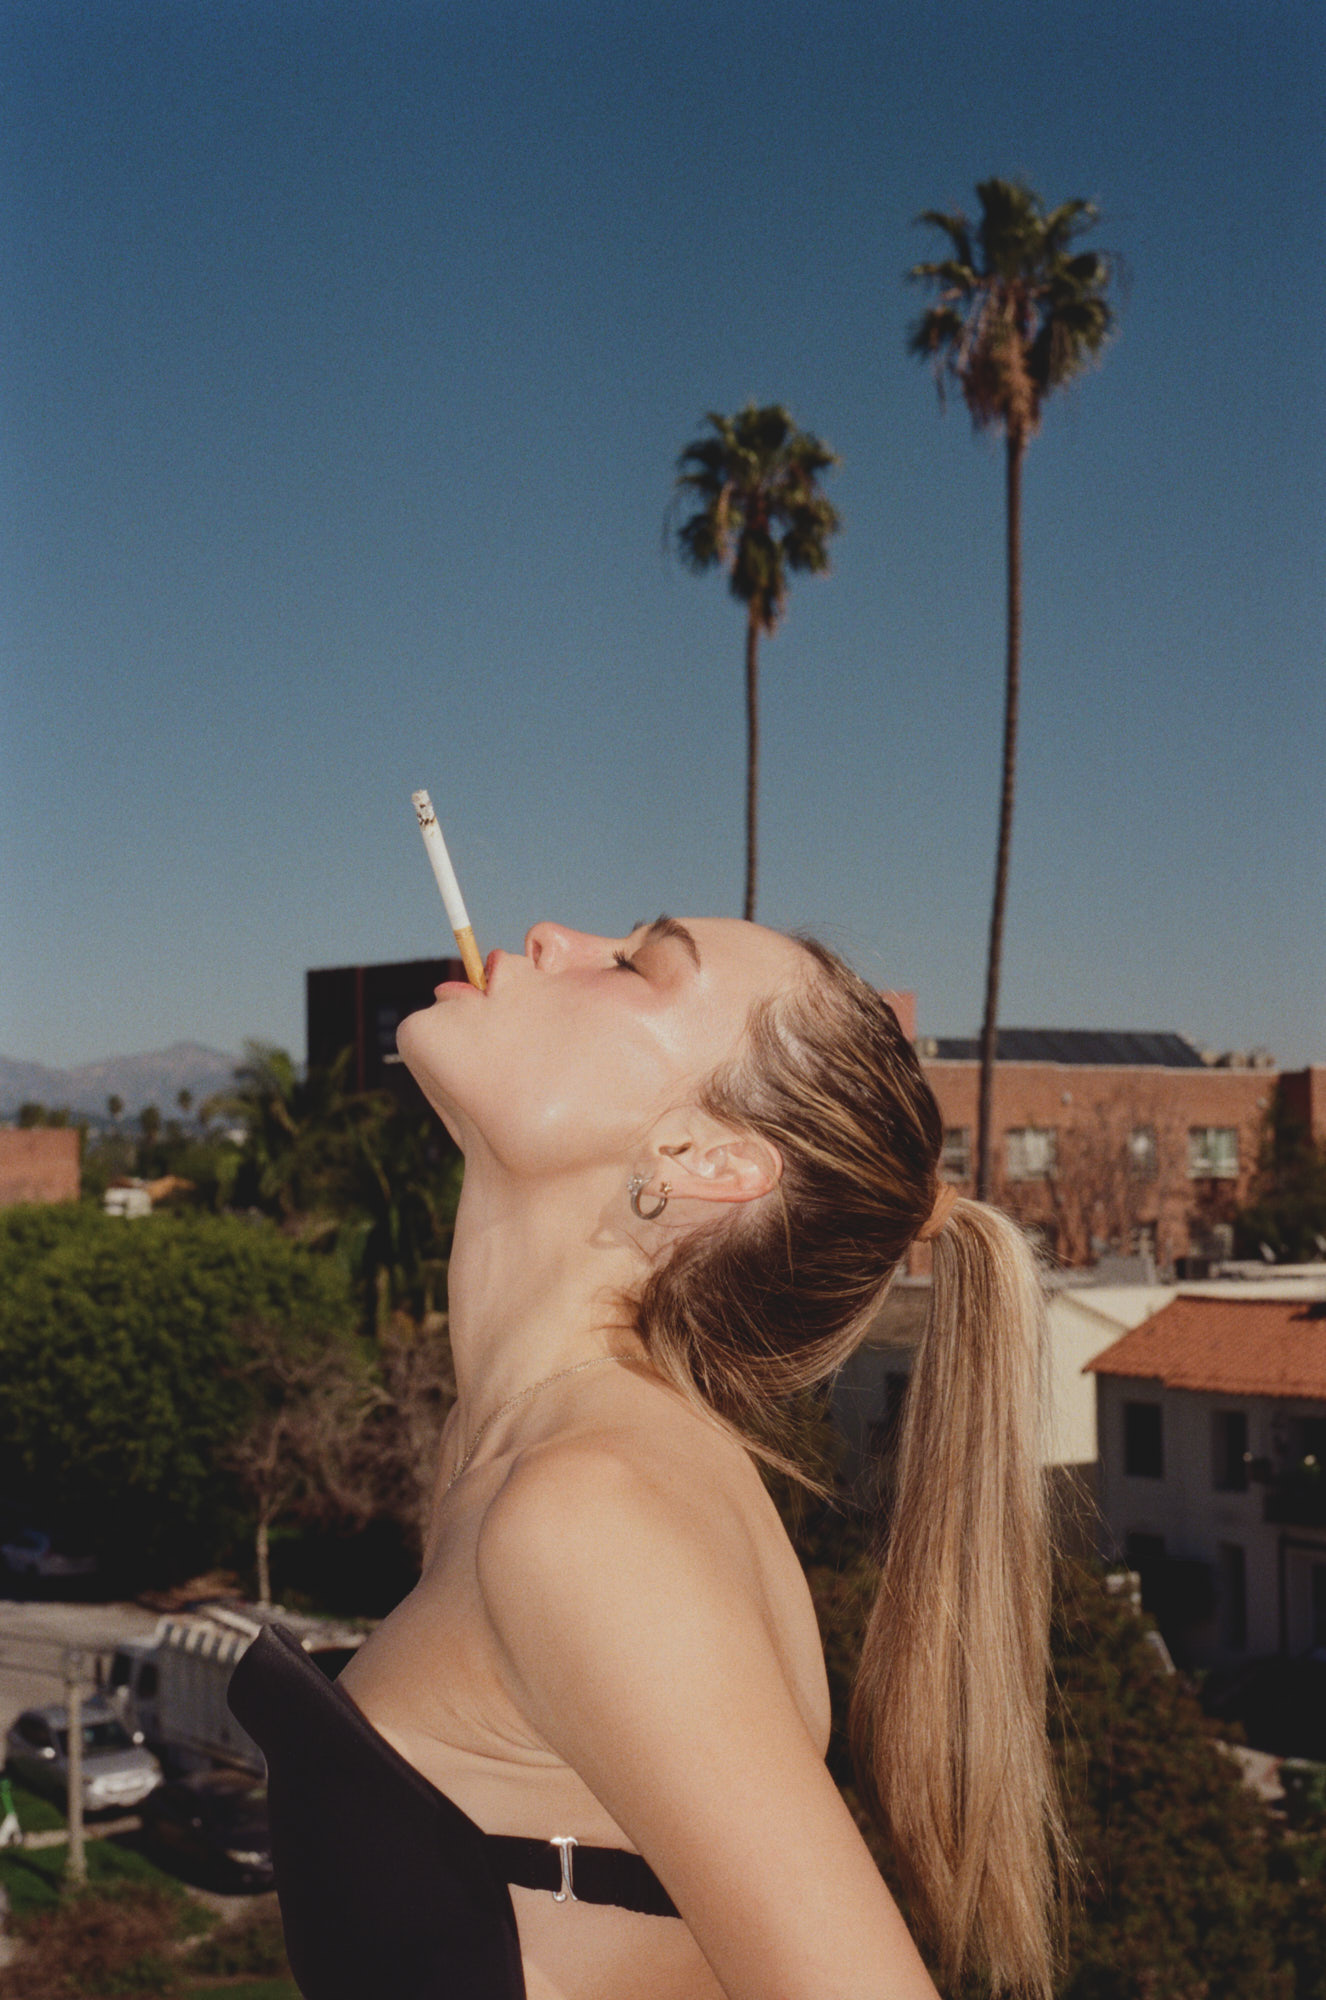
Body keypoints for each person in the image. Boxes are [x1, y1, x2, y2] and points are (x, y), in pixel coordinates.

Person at [229, 916, 1069, 2000]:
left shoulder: (588, 1513)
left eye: (637, 964)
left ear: (704, 1159)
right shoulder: (516, 1458)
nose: (552, 935)